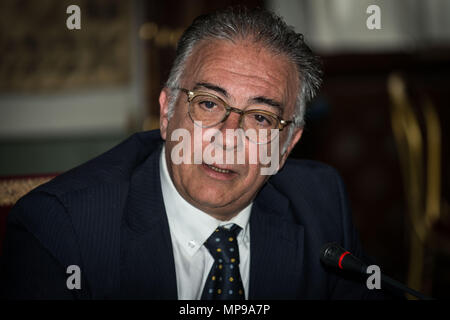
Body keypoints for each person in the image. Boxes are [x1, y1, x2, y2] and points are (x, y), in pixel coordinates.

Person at [0, 7, 385, 300]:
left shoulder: (322, 204)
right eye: (208, 104)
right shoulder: (63, 228)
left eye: (261, 119)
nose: (229, 137)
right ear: (167, 114)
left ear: (287, 147)